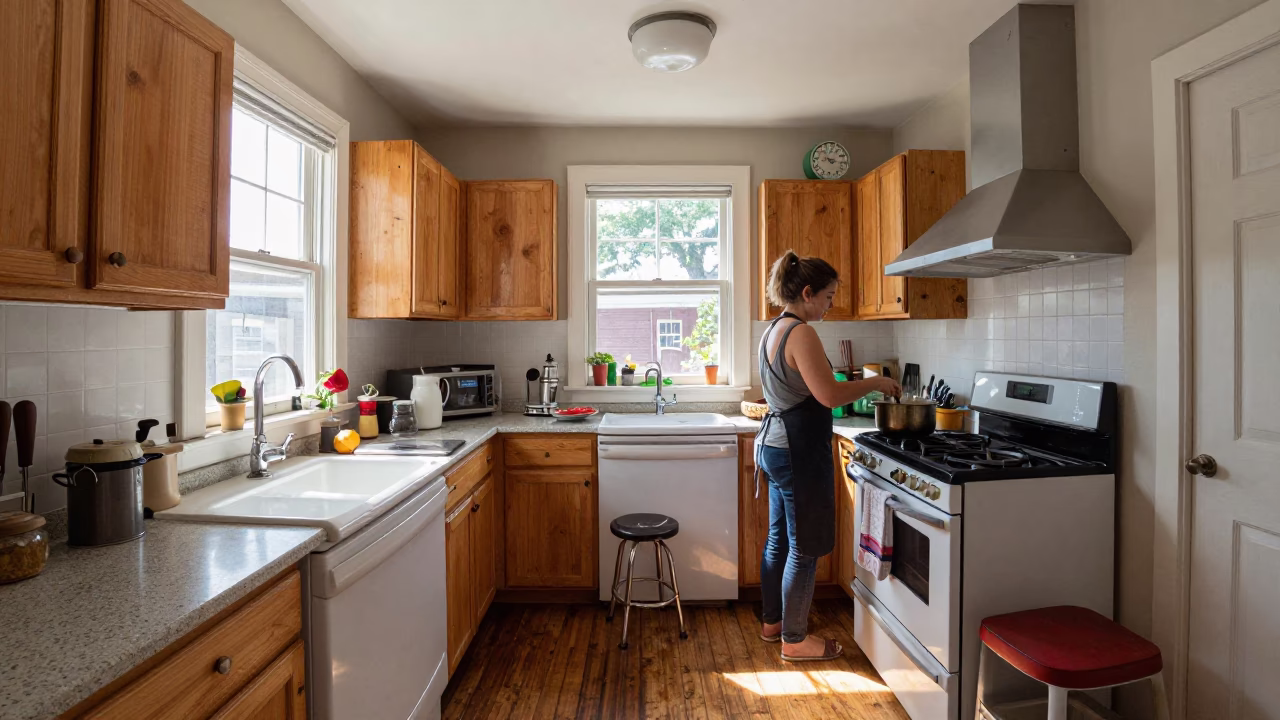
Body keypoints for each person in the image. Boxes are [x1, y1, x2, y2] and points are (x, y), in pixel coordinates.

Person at [755, 250, 901, 662]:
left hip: (776, 447)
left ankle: (775, 624)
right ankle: (796, 640)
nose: (831, 304)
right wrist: (876, 382)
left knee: (780, 539)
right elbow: (830, 396)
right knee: (805, 547)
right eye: (829, 296)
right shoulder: (800, 333)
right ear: (807, 293)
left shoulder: (774, 329)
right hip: (796, 452)